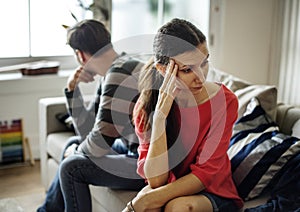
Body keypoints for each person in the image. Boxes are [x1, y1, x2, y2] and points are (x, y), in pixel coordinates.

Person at [123, 18, 244, 212]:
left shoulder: (225, 102)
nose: (201, 77)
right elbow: (156, 180)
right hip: (171, 184)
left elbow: (205, 175)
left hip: (213, 190)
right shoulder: (146, 106)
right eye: (188, 69)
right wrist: (160, 118)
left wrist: (143, 201)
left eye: (204, 63)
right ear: (163, 70)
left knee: (174, 207)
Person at [37, 19, 146, 212]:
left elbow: (99, 145)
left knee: (71, 167)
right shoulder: (117, 68)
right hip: (135, 150)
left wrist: (80, 151)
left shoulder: (120, 73)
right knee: (72, 145)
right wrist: (72, 90)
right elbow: (88, 131)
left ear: (80, 55)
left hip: (150, 165)